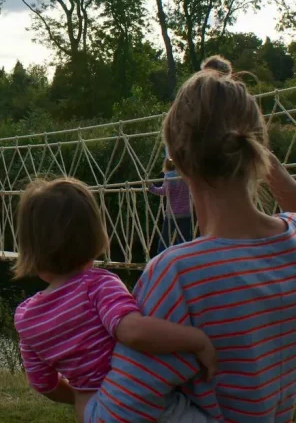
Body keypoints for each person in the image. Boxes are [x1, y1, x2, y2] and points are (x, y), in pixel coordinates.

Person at [86, 55, 296, 423]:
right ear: (256, 150)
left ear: (176, 156)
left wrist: (80, 395)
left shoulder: (178, 273)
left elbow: (114, 416)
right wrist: (266, 161)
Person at [13, 178, 217, 423]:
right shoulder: (97, 285)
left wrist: (85, 397)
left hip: (91, 412)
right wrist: (198, 340)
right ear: (94, 237)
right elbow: (133, 332)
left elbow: (44, 384)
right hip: (132, 398)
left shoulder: (26, 317)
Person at [148, 158, 193, 253]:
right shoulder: (185, 175)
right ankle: (184, 257)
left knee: (165, 239)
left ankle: (160, 257)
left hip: (172, 214)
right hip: (186, 213)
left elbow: (164, 191)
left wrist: (151, 187)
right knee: (184, 240)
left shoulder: (168, 177)